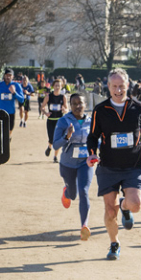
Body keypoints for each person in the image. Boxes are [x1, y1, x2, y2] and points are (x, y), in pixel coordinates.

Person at [86, 68, 141, 260]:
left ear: (128, 86)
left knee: (136, 204)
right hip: (108, 167)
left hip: (132, 166)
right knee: (109, 210)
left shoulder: (138, 108)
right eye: (114, 86)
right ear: (108, 87)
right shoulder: (100, 110)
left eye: (121, 86)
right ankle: (114, 244)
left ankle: (125, 208)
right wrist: (92, 154)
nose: (118, 90)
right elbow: (92, 137)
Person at [53, 93, 95, 240]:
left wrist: (95, 152)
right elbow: (55, 144)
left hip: (85, 163)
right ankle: (66, 192)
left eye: (80, 103)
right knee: (73, 194)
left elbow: (99, 140)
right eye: (74, 103)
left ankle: (84, 225)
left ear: (85, 105)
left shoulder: (92, 121)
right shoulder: (63, 121)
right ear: (70, 106)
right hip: (68, 164)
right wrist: (67, 136)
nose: (78, 106)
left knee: (84, 191)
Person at [0, 69, 25, 135]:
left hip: (10, 113)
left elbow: (21, 99)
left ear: (13, 76)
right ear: (4, 76)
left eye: (10, 75)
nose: (8, 77)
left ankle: (8, 140)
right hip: (0, 111)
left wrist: (14, 93)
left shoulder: (16, 85)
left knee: (9, 132)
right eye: (6, 75)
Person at [44, 77, 69, 163]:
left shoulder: (63, 97)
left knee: (57, 140)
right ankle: (49, 147)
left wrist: (64, 110)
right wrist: (45, 113)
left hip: (59, 121)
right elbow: (42, 106)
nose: (57, 87)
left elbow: (67, 109)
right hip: (50, 120)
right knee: (51, 138)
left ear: (61, 87)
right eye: (56, 85)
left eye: (59, 85)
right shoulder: (48, 96)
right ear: (53, 86)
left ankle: (55, 157)